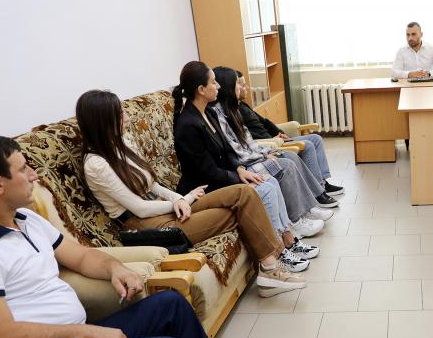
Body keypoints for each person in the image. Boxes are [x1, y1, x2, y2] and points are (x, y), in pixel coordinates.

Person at [0, 136, 274, 338]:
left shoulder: (27, 219)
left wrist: (115, 269)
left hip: (72, 337)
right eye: (23, 169)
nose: (34, 175)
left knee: (171, 305)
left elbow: (81, 256)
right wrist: (88, 332)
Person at [79, 89, 306, 295]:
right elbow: (139, 208)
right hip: (145, 224)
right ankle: (270, 269)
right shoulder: (96, 164)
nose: (127, 118)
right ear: (102, 122)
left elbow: (152, 185)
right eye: (120, 115)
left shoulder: (121, 142)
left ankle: (270, 267)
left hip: (164, 208)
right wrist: (185, 200)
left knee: (244, 193)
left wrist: (178, 198)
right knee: (235, 212)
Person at [213, 66, 331, 250]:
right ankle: (297, 220)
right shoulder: (219, 115)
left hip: (251, 158)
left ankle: (307, 209)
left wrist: (265, 152)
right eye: (238, 84)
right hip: (244, 165)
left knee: (287, 158)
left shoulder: (233, 109)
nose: (242, 88)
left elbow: (249, 141)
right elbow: (237, 151)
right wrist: (263, 155)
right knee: (286, 165)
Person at [235, 70, 344, 197]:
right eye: (243, 85)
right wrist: (274, 139)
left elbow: (264, 121)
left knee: (316, 138)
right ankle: (319, 190)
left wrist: (279, 132)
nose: (247, 87)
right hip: (271, 145)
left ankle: (323, 182)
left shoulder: (243, 105)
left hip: (276, 139)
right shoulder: (234, 112)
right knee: (308, 145)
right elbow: (248, 136)